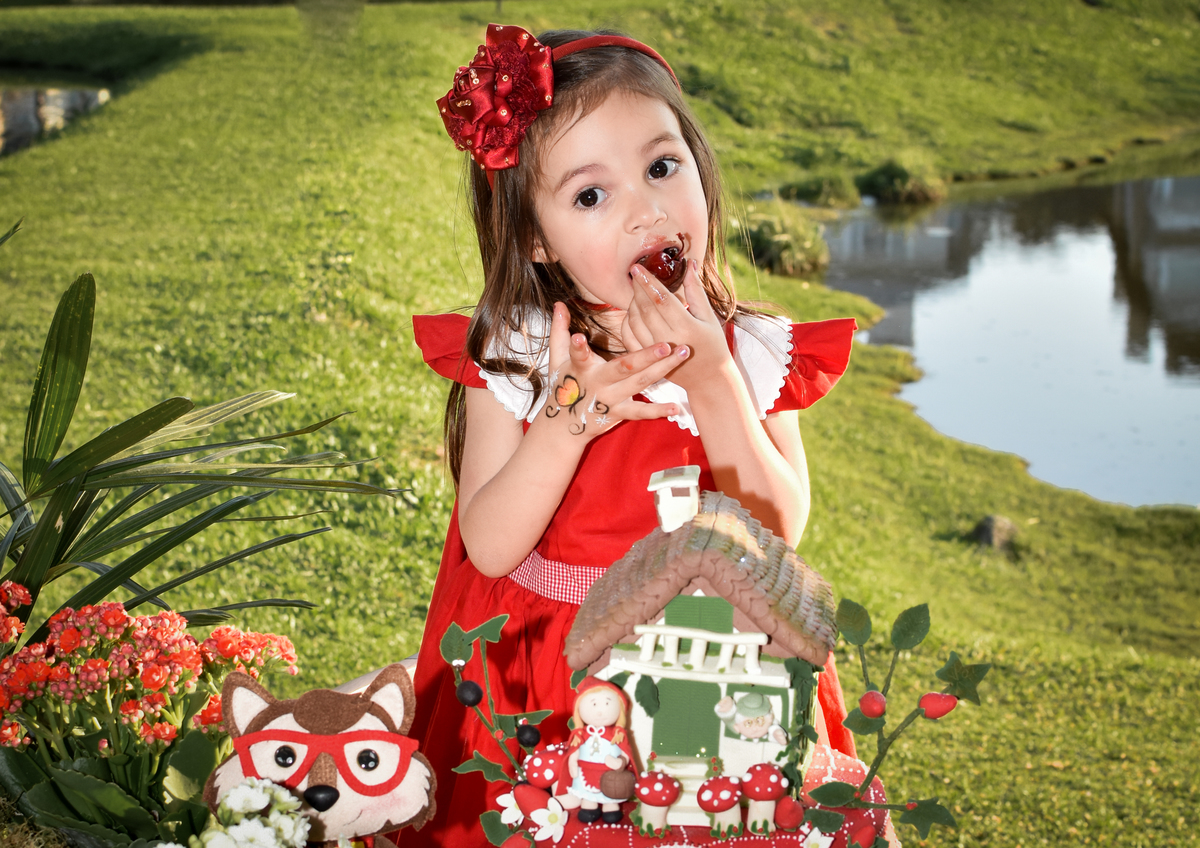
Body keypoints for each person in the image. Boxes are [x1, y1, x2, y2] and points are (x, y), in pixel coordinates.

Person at [407, 24, 860, 844]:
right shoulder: (519, 351)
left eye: (661, 167)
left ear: (699, 165)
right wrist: (566, 424)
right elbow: (491, 546)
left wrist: (715, 384)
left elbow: (779, 530)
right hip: (556, 678)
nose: (647, 211)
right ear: (536, 238)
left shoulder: (753, 350)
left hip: (721, 662)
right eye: (591, 196)